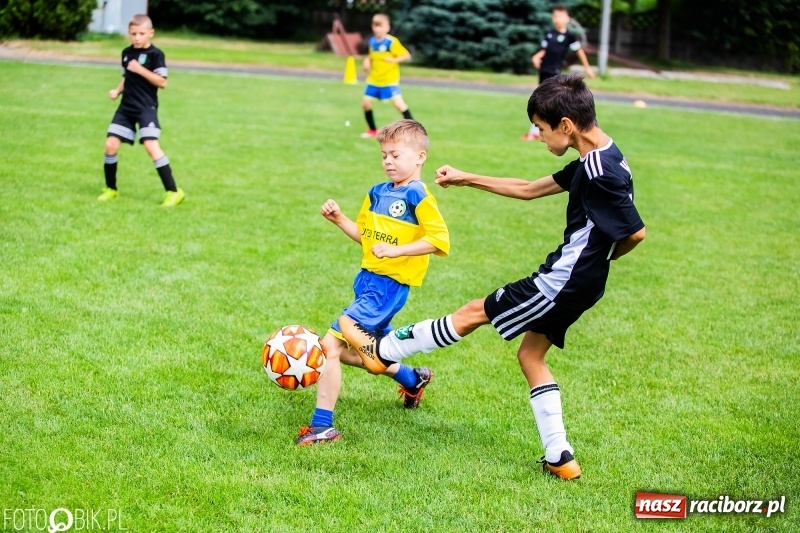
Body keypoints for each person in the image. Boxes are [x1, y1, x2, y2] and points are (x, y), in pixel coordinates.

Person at [341, 75, 646, 480]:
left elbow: (634, 232)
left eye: (540, 127)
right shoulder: (602, 156)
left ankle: (384, 353)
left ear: (566, 126)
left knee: (472, 313)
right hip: (581, 283)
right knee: (530, 355)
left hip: (560, 282)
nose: (537, 136)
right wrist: (468, 178)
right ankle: (561, 458)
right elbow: (528, 189)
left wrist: (593, 262)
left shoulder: (600, 172)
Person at [296, 119, 450, 446]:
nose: (388, 162)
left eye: (395, 155)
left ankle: (322, 425)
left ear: (420, 157)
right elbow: (366, 239)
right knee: (365, 354)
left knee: (329, 347)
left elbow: (440, 240)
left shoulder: (419, 195)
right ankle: (412, 378)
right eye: (384, 155)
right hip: (366, 281)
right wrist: (340, 220)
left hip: (388, 288)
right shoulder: (376, 192)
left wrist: (399, 250)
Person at [98, 14, 185, 207]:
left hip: (146, 107)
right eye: (133, 34)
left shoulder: (156, 55)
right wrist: (117, 90)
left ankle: (173, 191)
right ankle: (110, 189)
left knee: (150, 145)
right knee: (110, 145)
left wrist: (140, 69)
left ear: (150, 33)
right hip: (126, 107)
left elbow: (162, 82)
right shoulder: (126, 53)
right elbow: (127, 77)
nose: (137, 37)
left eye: (141, 33)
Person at [522, 5, 595, 141]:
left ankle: (537, 131)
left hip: (554, 73)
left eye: (560, 16)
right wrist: (536, 57)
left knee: (544, 102)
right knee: (540, 101)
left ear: (567, 19)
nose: (557, 19)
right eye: (555, 16)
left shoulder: (569, 36)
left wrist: (588, 68)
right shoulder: (550, 34)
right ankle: (540, 130)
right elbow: (544, 50)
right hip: (544, 71)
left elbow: (579, 51)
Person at [360, 13, 414, 139]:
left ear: (387, 28)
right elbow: (372, 56)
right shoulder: (372, 42)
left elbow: (406, 56)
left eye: (380, 26)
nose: (377, 28)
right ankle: (373, 130)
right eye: (375, 25)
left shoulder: (391, 42)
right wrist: (367, 61)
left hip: (389, 80)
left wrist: (393, 60)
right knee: (366, 104)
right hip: (374, 79)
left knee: (399, 105)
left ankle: (413, 129)